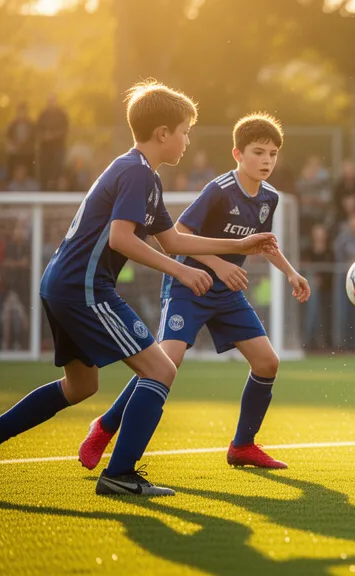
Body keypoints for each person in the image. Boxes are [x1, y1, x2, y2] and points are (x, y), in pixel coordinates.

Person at [0, 81, 278, 496]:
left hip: (62, 284)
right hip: (84, 288)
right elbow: (121, 239)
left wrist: (238, 245)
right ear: (163, 133)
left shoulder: (140, 173)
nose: (187, 140)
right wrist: (181, 273)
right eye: (184, 131)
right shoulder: (136, 174)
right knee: (161, 369)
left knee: (80, 387)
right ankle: (120, 474)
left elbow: (174, 240)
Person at [79, 112, 309, 472]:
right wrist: (218, 264)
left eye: (273, 154)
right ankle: (105, 426)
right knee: (163, 365)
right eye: (258, 152)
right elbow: (178, 235)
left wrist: (292, 273)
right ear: (238, 154)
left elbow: (261, 244)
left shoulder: (270, 197)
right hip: (188, 287)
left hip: (227, 295)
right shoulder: (219, 190)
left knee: (268, 362)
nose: (266, 160)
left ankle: (242, 446)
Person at [36, 94, 69, 189]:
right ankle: (44, 189)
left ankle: (57, 190)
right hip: (45, 149)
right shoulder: (43, 114)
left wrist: (53, 136)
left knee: (58, 170)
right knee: (44, 170)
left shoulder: (61, 114)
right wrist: (44, 136)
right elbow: (38, 130)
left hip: (58, 148)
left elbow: (65, 129)